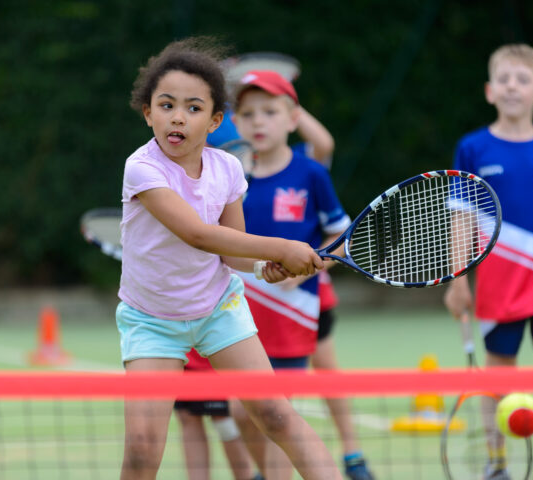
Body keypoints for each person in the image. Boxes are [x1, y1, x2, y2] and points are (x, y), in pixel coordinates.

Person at [117, 36, 343, 480]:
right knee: (143, 448)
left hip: (220, 309)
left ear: (217, 120)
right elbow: (200, 235)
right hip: (152, 320)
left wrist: (262, 268)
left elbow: (230, 246)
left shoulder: (228, 169)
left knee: (276, 415)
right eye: (166, 105)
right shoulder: (141, 168)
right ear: (148, 114)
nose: (178, 116)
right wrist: (280, 249)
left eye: (194, 107)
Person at [209, 71, 374, 480]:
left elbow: (341, 235)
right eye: (247, 114)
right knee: (240, 414)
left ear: (292, 117)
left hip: (293, 314)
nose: (258, 121)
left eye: (269, 111)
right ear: (236, 123)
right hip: (239, 313)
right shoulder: (230, 174)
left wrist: (310, 269)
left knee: (278, 414)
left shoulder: (310, 174)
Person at [444, 43, 533, 480]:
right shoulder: (472, 148)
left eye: (523, 79)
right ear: (489, 91)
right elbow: (462, 219)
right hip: (499, 283)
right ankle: (496, 464)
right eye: (504, 79)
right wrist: (459, 278)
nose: (513, 86)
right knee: (497, 380)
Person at [174, 349, 263, 480]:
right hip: (182, 354)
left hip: (215, 352)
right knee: (187, 417)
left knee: (224, 421)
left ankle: (247, 477)